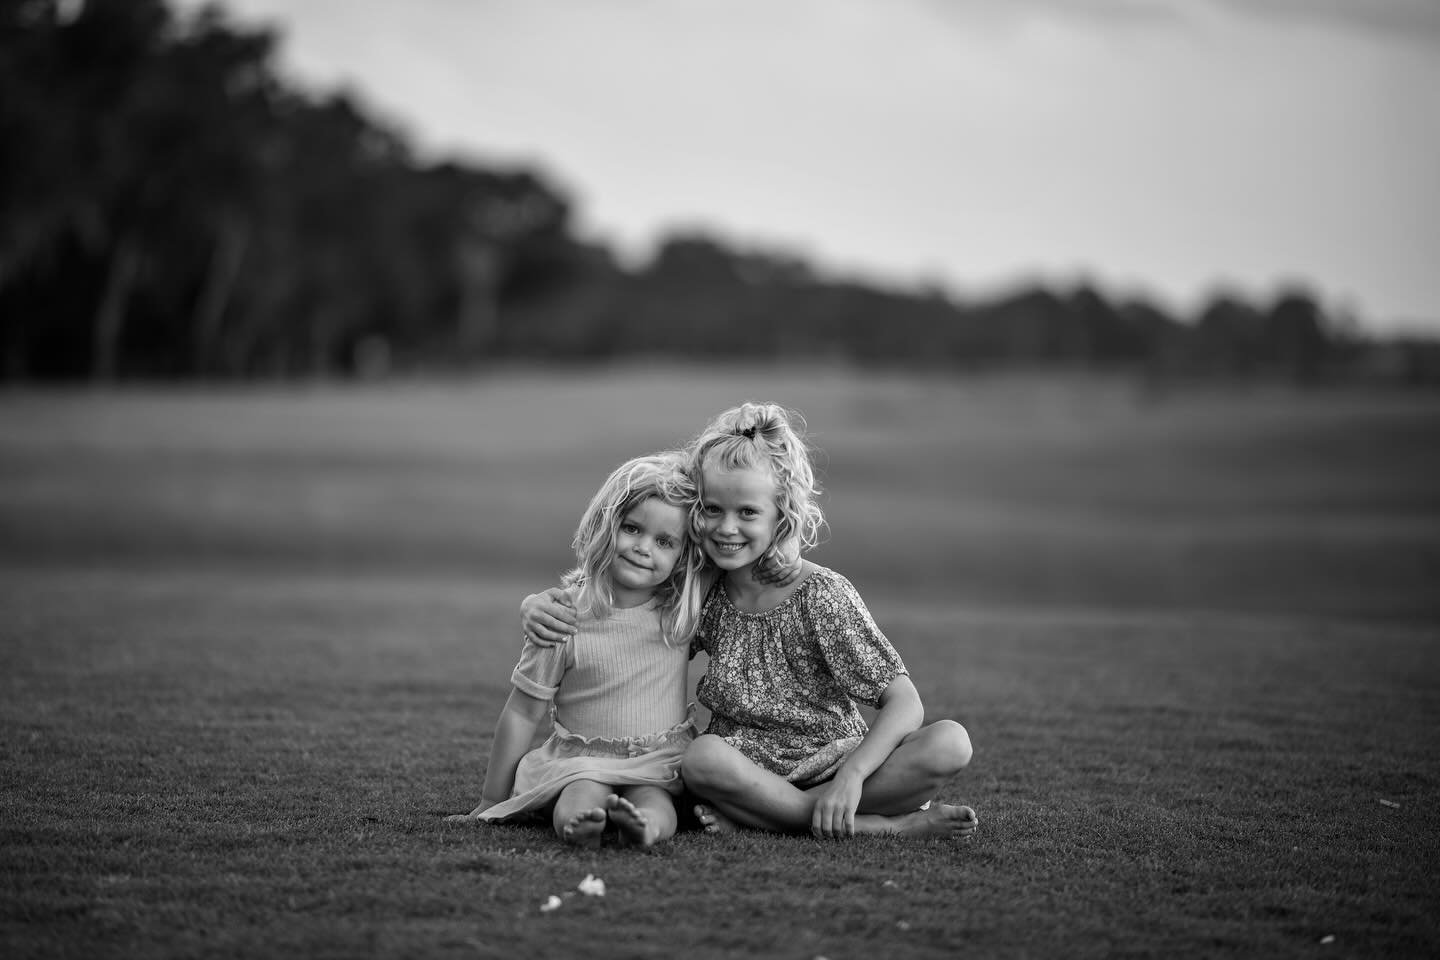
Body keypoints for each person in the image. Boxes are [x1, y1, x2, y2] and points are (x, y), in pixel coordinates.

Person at [523, 402, 978, 841]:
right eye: (712, 509)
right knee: (699, 757)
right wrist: (538, 603)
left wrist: (852, 777)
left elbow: (905, 703)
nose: (727, 528)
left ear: (782, 515)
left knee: (950, 742)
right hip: (740, 771)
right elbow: (617, 597)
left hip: (835, 763)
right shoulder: (697, 589)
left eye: (747, 512)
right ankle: (881, 826)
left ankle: (778, 816)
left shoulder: (821, 594)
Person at [446, 452, 709, 848]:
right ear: (604, 524)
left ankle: (644, 829)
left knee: (656, 803)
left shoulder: (680, 610)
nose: (643, 547)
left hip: (658, 760)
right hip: (581, 761)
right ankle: (582, 825)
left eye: (664, 541)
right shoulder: (561, 617)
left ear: (683, 557)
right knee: (579, 794)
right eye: (632, 528)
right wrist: (491, 800)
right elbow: (522, 712)